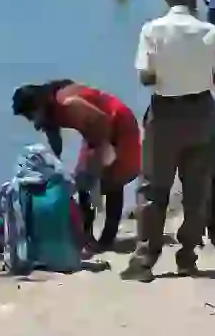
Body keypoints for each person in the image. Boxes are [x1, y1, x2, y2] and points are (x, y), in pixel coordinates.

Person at [123, 0, 215, 281]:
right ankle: (187, 255)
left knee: (153, 187)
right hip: (202, 111)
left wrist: (168, 72)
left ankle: (145, 259)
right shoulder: (211, 31)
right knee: (197, 188)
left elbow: (145, 77)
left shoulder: (152, 30)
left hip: (165, 112)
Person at [11, 81, 141, 250]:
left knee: (111, 180)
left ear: (38, 105)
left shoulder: (68, 103)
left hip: (117, 121)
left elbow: (102, 120)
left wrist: (103, 154)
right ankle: (85, 234)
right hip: (94, 129)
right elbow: (55, 142)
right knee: (82, 181)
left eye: (30, 115)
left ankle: (107, 238)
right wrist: (54, 169)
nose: (32, 121)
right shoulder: (49, 112)